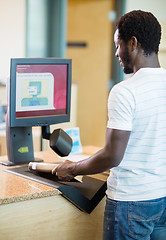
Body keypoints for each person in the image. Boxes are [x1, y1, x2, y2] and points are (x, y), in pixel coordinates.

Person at [52, 10, 166, 240]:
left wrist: (70, 168)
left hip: (130, 203)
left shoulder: (125, 91)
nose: (116, 53)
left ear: (133, 43)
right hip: (161, 197)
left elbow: (112, 156)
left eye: (118, 45)